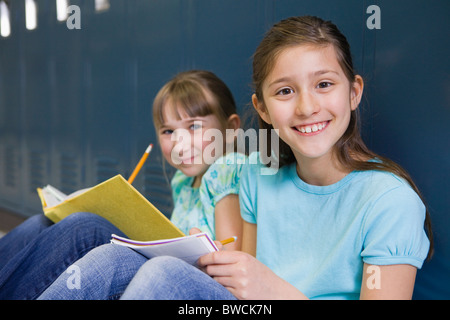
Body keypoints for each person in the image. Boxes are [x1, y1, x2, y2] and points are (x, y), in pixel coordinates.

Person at [111, 16, 433, 300]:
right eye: (285, 91)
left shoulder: (389, 202)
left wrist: (275, 291)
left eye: (324, 84)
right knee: (111, 253)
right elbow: (243, 290)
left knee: (162, 274)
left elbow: (261, 289)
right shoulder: (257, 176)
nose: (306, 107)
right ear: (262, 108)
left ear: (353, 93)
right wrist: (209, 261)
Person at [38, 70, 246, 299]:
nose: (180, 143)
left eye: (194, 126)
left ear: (231, 129)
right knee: (107, 254)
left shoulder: (226, 169)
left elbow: (231, 259)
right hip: (183, 274)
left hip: (214, 288)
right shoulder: (182, 181)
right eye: (168, 131)